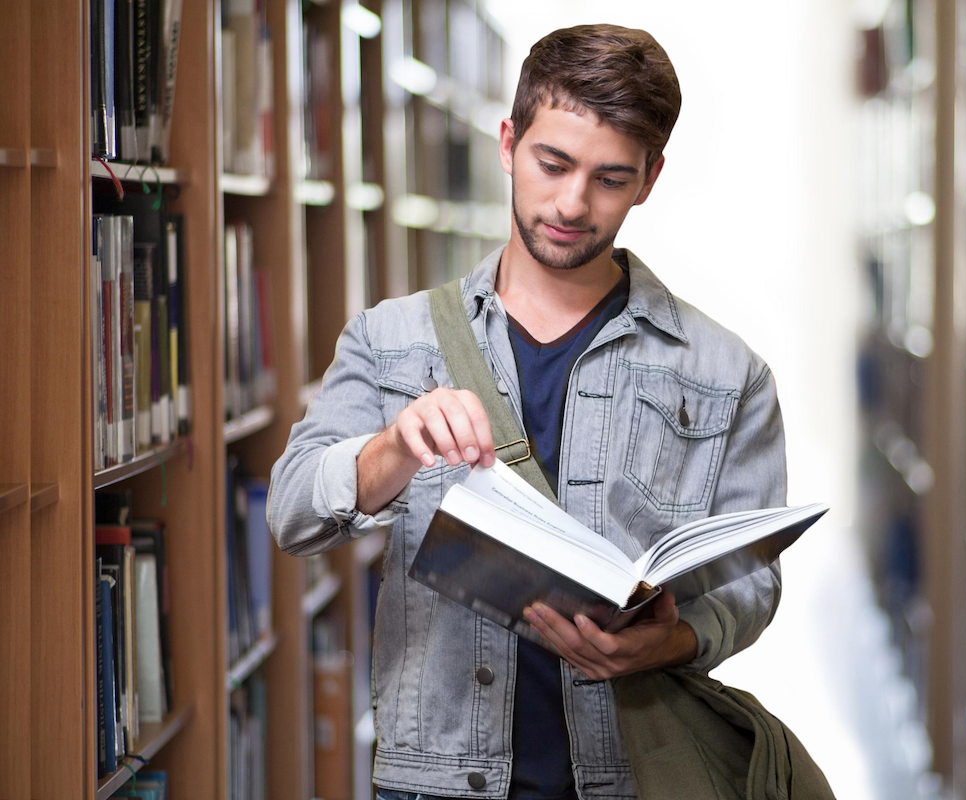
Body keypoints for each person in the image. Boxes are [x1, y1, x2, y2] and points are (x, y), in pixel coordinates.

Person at [268, 23, 788, 800]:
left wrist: (671, 641)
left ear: (650, 177)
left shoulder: (726, 372)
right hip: (435, 782)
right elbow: (291, 512)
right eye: (553, 164)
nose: (573, 203)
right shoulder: (392, 340)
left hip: (632, 777)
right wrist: (393, 449)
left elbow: (752, 584)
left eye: (611, 178)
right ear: (509, 141)